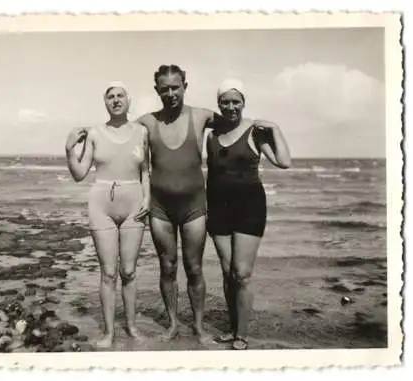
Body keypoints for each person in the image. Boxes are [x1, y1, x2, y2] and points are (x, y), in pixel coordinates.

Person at [135, 65, 226, 345]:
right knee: (167, 266)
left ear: (185, 85)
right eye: (165, 89)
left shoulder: (201, 116)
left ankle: (198, 327)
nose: (171, 93)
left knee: (194, 267)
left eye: (176, 87)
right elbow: (119, 140)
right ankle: (173, 324)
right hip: (160, 207)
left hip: (194, 205)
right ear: (157, 91)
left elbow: (235, 122)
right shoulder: (146, 123)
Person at [206, 79, 292, 350]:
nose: (231, 107)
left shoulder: (256, 132)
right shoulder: (212, 134)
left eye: (236, 101)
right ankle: (233, 329)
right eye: (225, 102)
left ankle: (242, 334)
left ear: (244, 102)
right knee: (227, 272)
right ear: (218, 103)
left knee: (241, 274)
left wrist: (276, 128)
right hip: (218, 207)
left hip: (249, 207)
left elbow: (284, 161)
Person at [65, 82, 150, 349]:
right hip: (101, 204)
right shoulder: (94, 133)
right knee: (108, 272)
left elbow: (145, 172)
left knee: (129, 271)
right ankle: (109, 332)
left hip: (134, 202)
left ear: (129, 99)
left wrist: (147, 198)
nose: (116, 100)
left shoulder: (142, 132)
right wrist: (69, 150)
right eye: (110, 96)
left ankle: (132, 327)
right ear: (105, 102)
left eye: (120, 95)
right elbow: (79, 174)